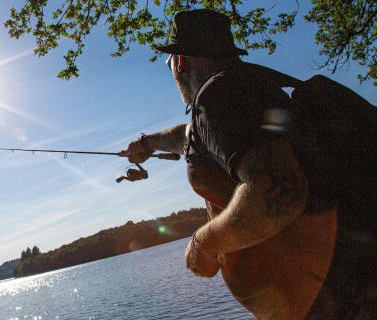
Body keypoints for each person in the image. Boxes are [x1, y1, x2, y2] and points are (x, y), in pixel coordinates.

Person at [121, 9, 377, 319]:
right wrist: (147, 143)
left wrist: (206, 242)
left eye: (170, 62)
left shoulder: (217, 97)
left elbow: (281, 192)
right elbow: (190, 138)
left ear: (180, 62)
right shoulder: (251, 89)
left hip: (334, 302)